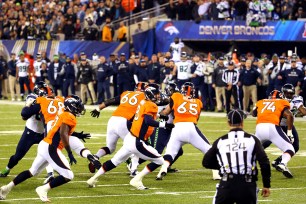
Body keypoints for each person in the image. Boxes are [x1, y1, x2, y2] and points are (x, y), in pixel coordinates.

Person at [87, 83, 174, 190]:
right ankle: (136, 177)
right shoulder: (150, 104)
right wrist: (164, 124)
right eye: (156, 94)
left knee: (114, 161)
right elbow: (148, 120)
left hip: (126, 134)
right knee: (160, 160)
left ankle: (92, 179)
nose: (158, 96)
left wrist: (98, 108)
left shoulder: (142, 102)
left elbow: (134, 114)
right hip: (137, 141)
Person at [0, 96, 85, 202]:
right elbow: (63, 133)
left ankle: (6, 188)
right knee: (69, 175)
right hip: (51, 147)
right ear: (71, 107)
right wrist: (69, 152)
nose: (80, 109)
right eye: (77, 107)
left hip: (44, 144)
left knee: (32, 172)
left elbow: (60, 129)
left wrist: (76, 135)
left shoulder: (62, 113)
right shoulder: (69, 117)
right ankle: (43, 189)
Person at [203, 109, 271, 204]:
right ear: (242, 122)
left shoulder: (221, 141)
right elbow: (264, 162)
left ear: (228, 122)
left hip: (227, 184)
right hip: (247, 184)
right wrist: (266, 185)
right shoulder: (252, 139)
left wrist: (223, 166)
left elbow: (206, 162)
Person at [156, 82, 220, 180]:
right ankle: (216, 174)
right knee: (208, 149)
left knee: (170, 152)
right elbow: (196, 119)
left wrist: (158, 113)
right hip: (190, 127)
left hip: (177, 128)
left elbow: (165, 112)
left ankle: (163, 169)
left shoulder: (176, 96)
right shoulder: (198, 102)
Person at [88, 82, 148, 172]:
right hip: (123, 121)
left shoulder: (126, 93)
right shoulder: (144, 96)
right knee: (133, 145)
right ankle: (133, 170)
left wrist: (98, 108)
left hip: (113, 119)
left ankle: (96, 157)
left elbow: (110, 101)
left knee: (110, 148)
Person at [0, 91, 44, 177]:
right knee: (18, 155)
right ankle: (7, 168)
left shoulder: (50, 100)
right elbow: (24, 115)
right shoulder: (32, 98)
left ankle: (51, 174)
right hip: (30, 133)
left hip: (43, 133)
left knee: (50, 152)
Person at [252, 90, 295, 178]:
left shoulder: (261, 102)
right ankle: (282, 164)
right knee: (290, 149)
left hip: (259, 128)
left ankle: (249, 167)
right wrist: (289, 133)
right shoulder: (282, 102)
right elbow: (290, 115)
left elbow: (253, 114)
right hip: (272, 127)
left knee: (251, 149)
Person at [263, 84, 306, 169]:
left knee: (295, 146)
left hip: (288, 124)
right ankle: (249, 158)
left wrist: (301, 109)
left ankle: (278, 162)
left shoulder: (296, 99)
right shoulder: (277, 99)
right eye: (287, 93)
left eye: (291, 93)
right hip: (275, 124)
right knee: (265, 143)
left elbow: (303, 110)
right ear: (282, 93)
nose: (289, 95)